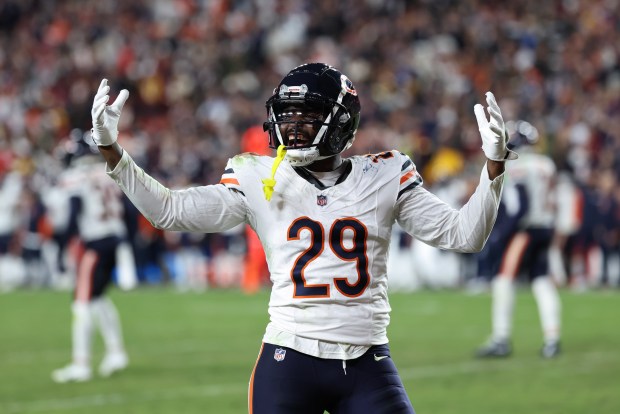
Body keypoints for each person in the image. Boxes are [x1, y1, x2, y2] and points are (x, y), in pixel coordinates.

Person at [90, 63, 515, 413]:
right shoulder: (257, 175)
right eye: (286, 114)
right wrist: (113, 151)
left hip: (367, 359)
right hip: (288, 357)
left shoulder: (386, 173)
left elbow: (465, 235)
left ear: (341, 121)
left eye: (307, 115)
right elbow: (169, 211)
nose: (292, 126)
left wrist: (494, 166)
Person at [51, 133, 134, 383]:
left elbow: (74, 213)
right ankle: (116, 352)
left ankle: (81, 364)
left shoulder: (76, 177)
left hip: (96, 244)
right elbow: (129, 209)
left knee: (81, 302)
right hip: (116, 240)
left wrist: (62, 248)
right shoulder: (108, 171)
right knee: (97, 298)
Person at [475, 122, 562, 359]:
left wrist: (503, 234)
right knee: (541, 280)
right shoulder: (547, 164)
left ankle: (501, 338)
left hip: (526, 230)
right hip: (545, 227)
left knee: (503, 279)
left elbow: (521, 205)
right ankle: (552, 339)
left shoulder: (519, 165)